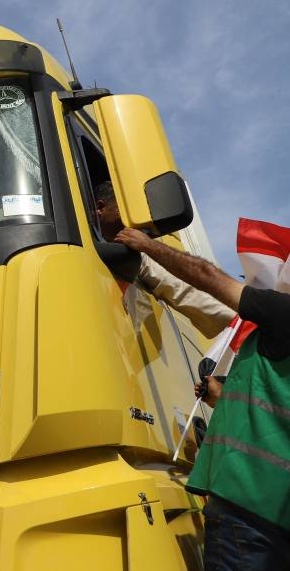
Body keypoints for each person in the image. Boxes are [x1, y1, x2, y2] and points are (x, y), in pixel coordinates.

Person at [116, 227, 290, 570]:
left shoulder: (284, 315)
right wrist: (222, 395)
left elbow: (208, 277)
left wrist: (147, 246)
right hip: (278, 515)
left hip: (245, 510)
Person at [94, 181, 235, 337]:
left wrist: (239, 321)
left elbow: (180, 288)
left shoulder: (138, 251)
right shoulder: (83, 237)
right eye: (127, 211)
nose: (135, 221)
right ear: (101, 208)